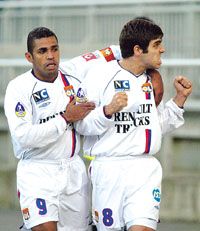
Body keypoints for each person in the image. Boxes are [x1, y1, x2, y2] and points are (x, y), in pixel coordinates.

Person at [4, 27, 163, 231]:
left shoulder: (73, 73)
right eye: (42, 51)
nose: (51, 56)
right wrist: (65, 118)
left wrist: (153, 73)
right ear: (29, 56)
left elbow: (120, 51)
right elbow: (23, 137)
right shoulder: (18, 88)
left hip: (74, 171)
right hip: (37, 170)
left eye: (55, 49)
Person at [74, 18, 192, 231]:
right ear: (138, 49)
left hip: (145, 169)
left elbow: (155, 126)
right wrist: (107, 111)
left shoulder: (151, 80)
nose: (162, 50)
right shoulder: (99, 76)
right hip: (109, 168)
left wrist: (179, 101)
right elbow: (81, 126)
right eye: (157, 45)